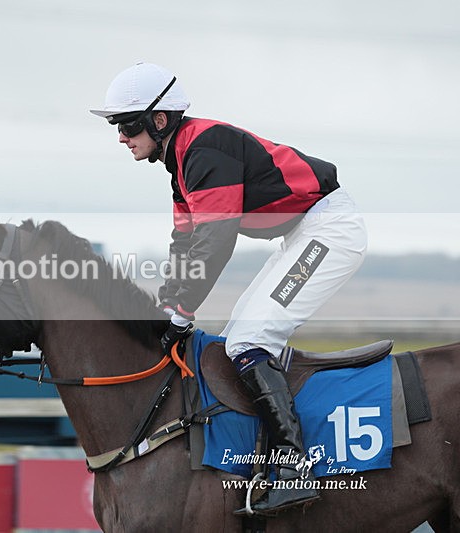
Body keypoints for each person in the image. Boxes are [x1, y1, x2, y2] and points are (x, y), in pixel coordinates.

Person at [91, 62, 367, 515]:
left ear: (159, 120)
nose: (121, 136)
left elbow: (216, 241)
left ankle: (295, 468)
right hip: (304, 232)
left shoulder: (204, 150)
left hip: (329, 230)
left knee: (250, 339)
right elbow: (185, 243)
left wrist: (182, 311)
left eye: (126, 124)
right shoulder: (181, 164)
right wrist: (166, 306)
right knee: (237, 337)